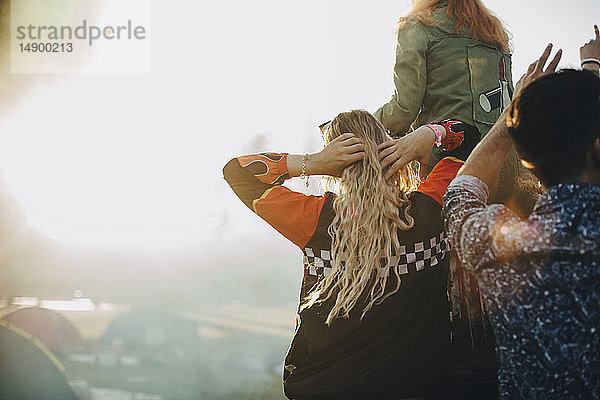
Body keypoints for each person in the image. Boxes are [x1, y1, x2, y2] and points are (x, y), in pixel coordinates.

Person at [223, 110, 479, 399]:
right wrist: (426, 135)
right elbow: (467, 138)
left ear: (336, 163)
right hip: (419, 386)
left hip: (322, 388)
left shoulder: (316, 221)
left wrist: (315, 163)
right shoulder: (430, 209)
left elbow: (238, 172)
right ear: (389, 144)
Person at [443, 30, 600, 399]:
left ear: (528, 162)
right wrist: (592, 70)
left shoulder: (495, 244)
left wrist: (515, 112)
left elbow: (461, 192)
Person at [374, 1, 521, 393]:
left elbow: (402, 110)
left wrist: (358, 128)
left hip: (453, 162)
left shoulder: (417, 27)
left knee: (450, 278)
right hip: (508, 164)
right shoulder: (493, 31)